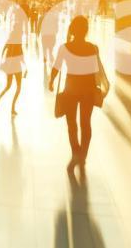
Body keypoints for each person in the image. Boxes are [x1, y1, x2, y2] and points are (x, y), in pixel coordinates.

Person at [48, 16, 105, 169]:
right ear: (86, 31)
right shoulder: (93, 48)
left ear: (72, 30)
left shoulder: (64, 47)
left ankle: (75, 153)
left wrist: (51, 81)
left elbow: (57, 67)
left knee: (71, 124)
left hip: (71, 89)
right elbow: (96, 70)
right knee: (86, 123)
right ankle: (83, 156)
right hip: (88, 89)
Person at [0, 29, 26, 116]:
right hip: (17, 68)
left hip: (9, 68)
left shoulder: (8, 42)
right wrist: (25, 67)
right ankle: (12, 108)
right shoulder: (18, 43)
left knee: (8, 86)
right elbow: (21, 56)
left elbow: (3, 53)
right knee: (18, 87)